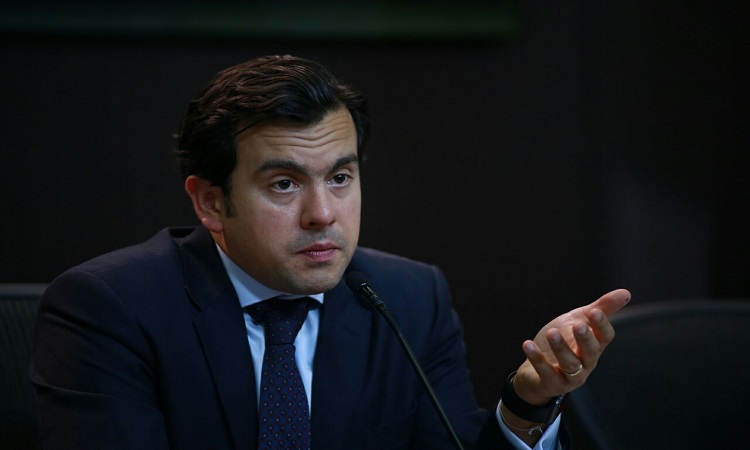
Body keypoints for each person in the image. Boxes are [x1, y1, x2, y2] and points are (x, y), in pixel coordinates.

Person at [30, 54, 630, 450]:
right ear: (211, 203)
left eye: (340, 177)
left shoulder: (407, 299)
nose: (322, 213)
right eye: (283, 184)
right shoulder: (111, 307)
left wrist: (527, 402)